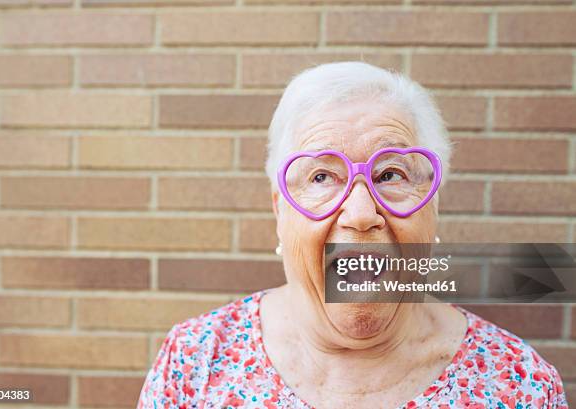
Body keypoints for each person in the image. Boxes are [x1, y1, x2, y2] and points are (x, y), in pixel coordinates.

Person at [137, 62, 568, 408]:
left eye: (391, 174)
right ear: (279, 209)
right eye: (322, 176)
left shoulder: (520, 385)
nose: (361, 215)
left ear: (433, 206)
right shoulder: (194, 362)